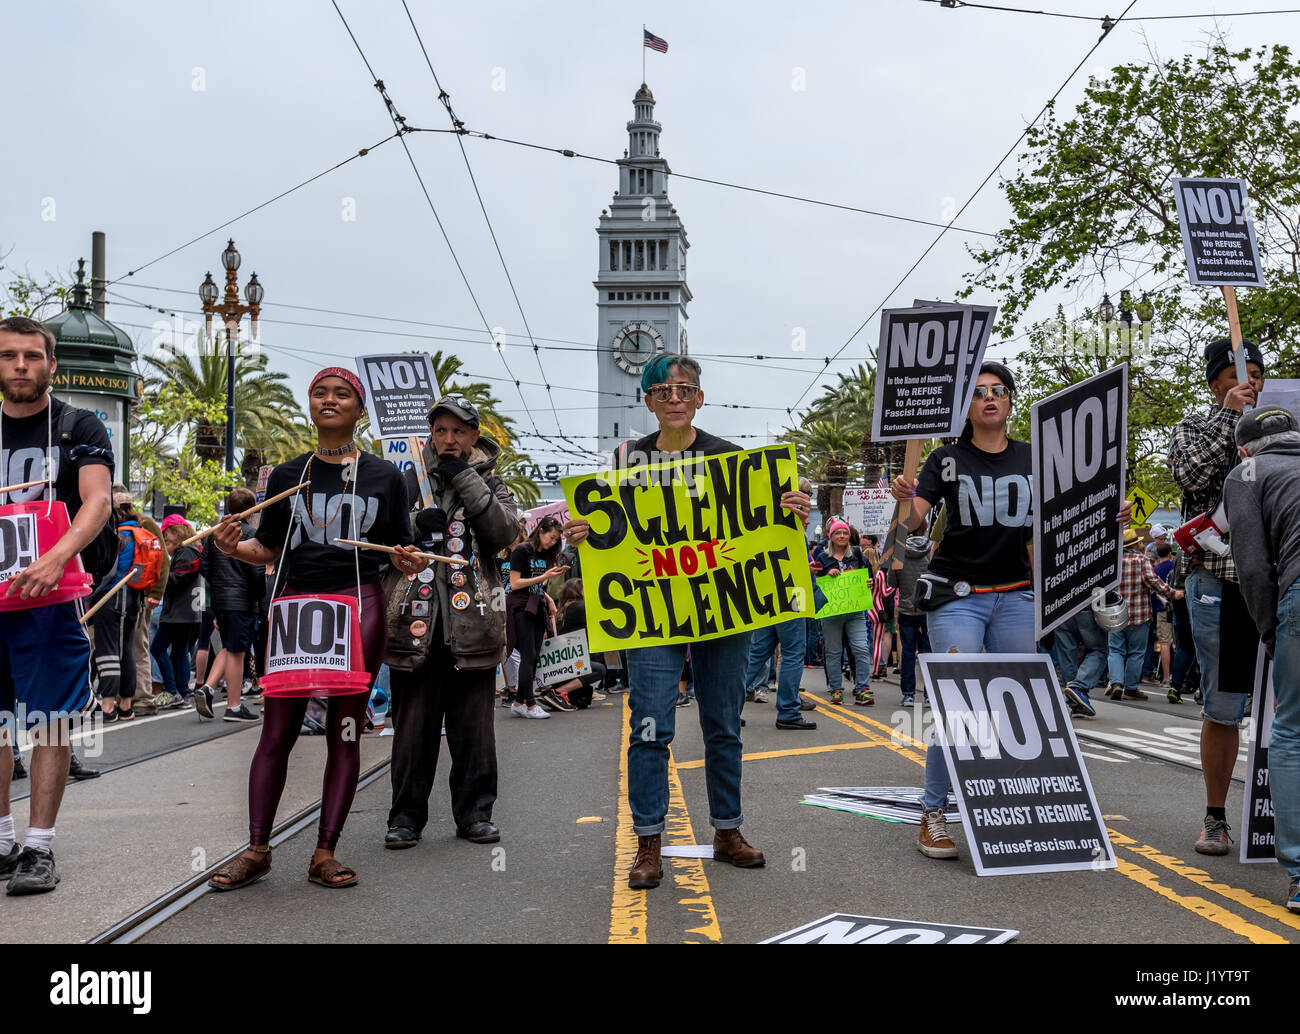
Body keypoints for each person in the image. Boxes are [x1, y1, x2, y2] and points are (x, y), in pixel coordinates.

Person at [563, 353, 812, 889]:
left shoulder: (731, 459)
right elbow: (608, 537)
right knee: (650, 725)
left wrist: (795, 511)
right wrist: (582, 535)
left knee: (724, 725)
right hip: (653, 617)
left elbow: (767, 527)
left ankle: (728, 831)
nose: (674, 398)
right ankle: (648, 842)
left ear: (700, 398)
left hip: (724, 613)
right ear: (648, 401)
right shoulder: (625, 462)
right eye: (663, 390)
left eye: (684, 389)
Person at [891, 363, 1132, 860]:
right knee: (956, 706)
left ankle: (1014, 811)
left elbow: (1065, 518)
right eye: (978, 392)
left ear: (1010, 401)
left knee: (1019, 705)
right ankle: (933, 812)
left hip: (1018, 597)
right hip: (958, 596)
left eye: (998, 390)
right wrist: (904, 498)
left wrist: (1113, 514)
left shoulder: (1035, 458)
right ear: (966, 408)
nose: (989, 397)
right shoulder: (945, 459)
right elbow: (912, 524)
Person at [205, 367, 426, 891]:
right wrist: (231, 546)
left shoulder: (385, 477)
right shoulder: (287, 476)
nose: (329, 400)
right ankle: (257, 849)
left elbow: (402, 550)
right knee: (277, 730)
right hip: (295, 608)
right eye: (320, 393)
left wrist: (409, 559)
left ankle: (325, 851)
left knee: (344, 728)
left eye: (342, 394)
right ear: (311, 405)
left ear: (359, 410)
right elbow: (268, 549)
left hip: (358, 606)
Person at [0, 316, 113, 894]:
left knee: (51, 719)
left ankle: (39, 847)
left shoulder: (78, 425)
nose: (21, 365)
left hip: (51, 597)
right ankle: (2, 841)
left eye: (32, 355)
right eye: (8, 356)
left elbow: (98, 501)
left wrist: (56, 557)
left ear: (51, 363)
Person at [383, 393, 521, 848]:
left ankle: (475, 815)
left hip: (475, 629)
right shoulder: (405, 482)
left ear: (473, 436)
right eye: (440, 430)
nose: (448, 439)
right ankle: (405, 818)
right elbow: (379, 541)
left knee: (474, 734)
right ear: (430, 434)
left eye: (458, 431)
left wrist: (465, 478)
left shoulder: (494, 484)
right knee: (411, 735)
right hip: (413, 629)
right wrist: (412, 526)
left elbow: (503, 533)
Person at [1168, 336, 1265, 856]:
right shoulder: (1192, 428)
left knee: (1284, 708)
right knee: (1224, 706)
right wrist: (1230, 418)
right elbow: (1192, 477)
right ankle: (1216, 817)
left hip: (1280, 586)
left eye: (1256, 374)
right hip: (1220, 583)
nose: (1250, 383)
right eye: (1237, 376)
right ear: (1215, 385)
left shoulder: (1284, 431)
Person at [1221, 407, 1300, 908]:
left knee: (1291, 730)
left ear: (1243, 449)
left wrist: (1271, 634)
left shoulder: (1247, 473)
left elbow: (1251, 567)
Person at [196, 488, 262, 722]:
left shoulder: (215, 534)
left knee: (229, 646)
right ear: (251, 509)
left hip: (220, 600)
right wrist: (259, 595)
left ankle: (209, 687)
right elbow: (257, 569)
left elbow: (204, 566)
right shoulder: (251, 533)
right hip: (242, 600)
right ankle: (234, 706)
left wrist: (218, 585)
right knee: (237, 652)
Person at [1104, 528, 1182, 701]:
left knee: (1115, 650)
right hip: (1138, 615)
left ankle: (1116, 683)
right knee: (1136, 652)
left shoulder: (1112, 561)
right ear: (1134, 545)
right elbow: (1154, 582)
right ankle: (1131, 689)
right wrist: (1173, 593)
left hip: (1115, 614)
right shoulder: (1141, 560)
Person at [91, 494, 148, 722]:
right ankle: (126, 704)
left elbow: (104, 569)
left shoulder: (117, 535)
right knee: (127, 649)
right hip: (133, 598)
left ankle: (108, 705)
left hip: (111, 596)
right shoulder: (140, 533)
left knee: (108, 650)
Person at [506, 515, 567, 718]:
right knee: (528, 654)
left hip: (537, 604)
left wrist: (548, 598)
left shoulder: (547, 554)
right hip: (521, 606)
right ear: (540, 530)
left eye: (556, 540)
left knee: (534, 655)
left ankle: (519, 702)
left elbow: (538, 585)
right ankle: (530, 704)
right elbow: (515, 583)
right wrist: (545, 576)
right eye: (551, 537)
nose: (552, 542)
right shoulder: (522, 551)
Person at [810, 519, 874, 706]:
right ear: (831, 537)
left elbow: (868, 576)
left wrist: (870, 582)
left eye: (845, 533)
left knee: (861, 648)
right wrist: (826, 574)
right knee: (833, 652)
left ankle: (863, 688)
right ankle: (836, 689)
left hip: (855, 611)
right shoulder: (822, 557)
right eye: (838, 533)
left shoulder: (857, 554)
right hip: (831, 613)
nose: (842, 536)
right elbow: (815, 581)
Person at [151, 516, 203, 709]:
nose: (165, 538)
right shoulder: (193, 550)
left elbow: (180, 579)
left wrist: (159, 575)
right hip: (188, 611)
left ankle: (172, 691)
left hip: (178, 612)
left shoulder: (185, 552)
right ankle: (182, 691)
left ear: (176, 532)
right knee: (180, 651)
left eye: (166, 534)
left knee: (158, 648)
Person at [892, 534, 933, 708]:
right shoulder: (931, 552)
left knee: (908, 652)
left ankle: (908, 694)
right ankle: (930, 695)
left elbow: (892, 582)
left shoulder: (899, 555)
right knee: (928, 652)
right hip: (927, 608)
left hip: (907, 608)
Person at [1054, 606, 1108, 719]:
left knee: (1066, 655)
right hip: (1085, 608)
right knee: (1100, 650)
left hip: (1059, 609)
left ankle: (1075, 704)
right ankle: (1079, 686)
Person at [1152, 541, 1176, 691]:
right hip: (1177, 606)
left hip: (1162, 608)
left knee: (1165, 642)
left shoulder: (1155, 569)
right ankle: (1179, 677)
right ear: (1169, 553)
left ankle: (1166, 678)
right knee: (1180, 644)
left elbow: (1153, 592)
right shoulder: (1175, 566)